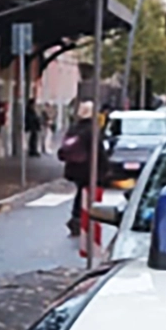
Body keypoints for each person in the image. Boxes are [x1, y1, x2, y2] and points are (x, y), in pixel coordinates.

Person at [58, 101, 108, 237]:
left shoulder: (74, 128)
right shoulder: (92, 130)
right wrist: (105, 169)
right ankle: (81, 221)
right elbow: (98, 151)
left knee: (81, 192)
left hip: (74, 168)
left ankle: (77, 219)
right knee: (87, 194)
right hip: (89, 168)